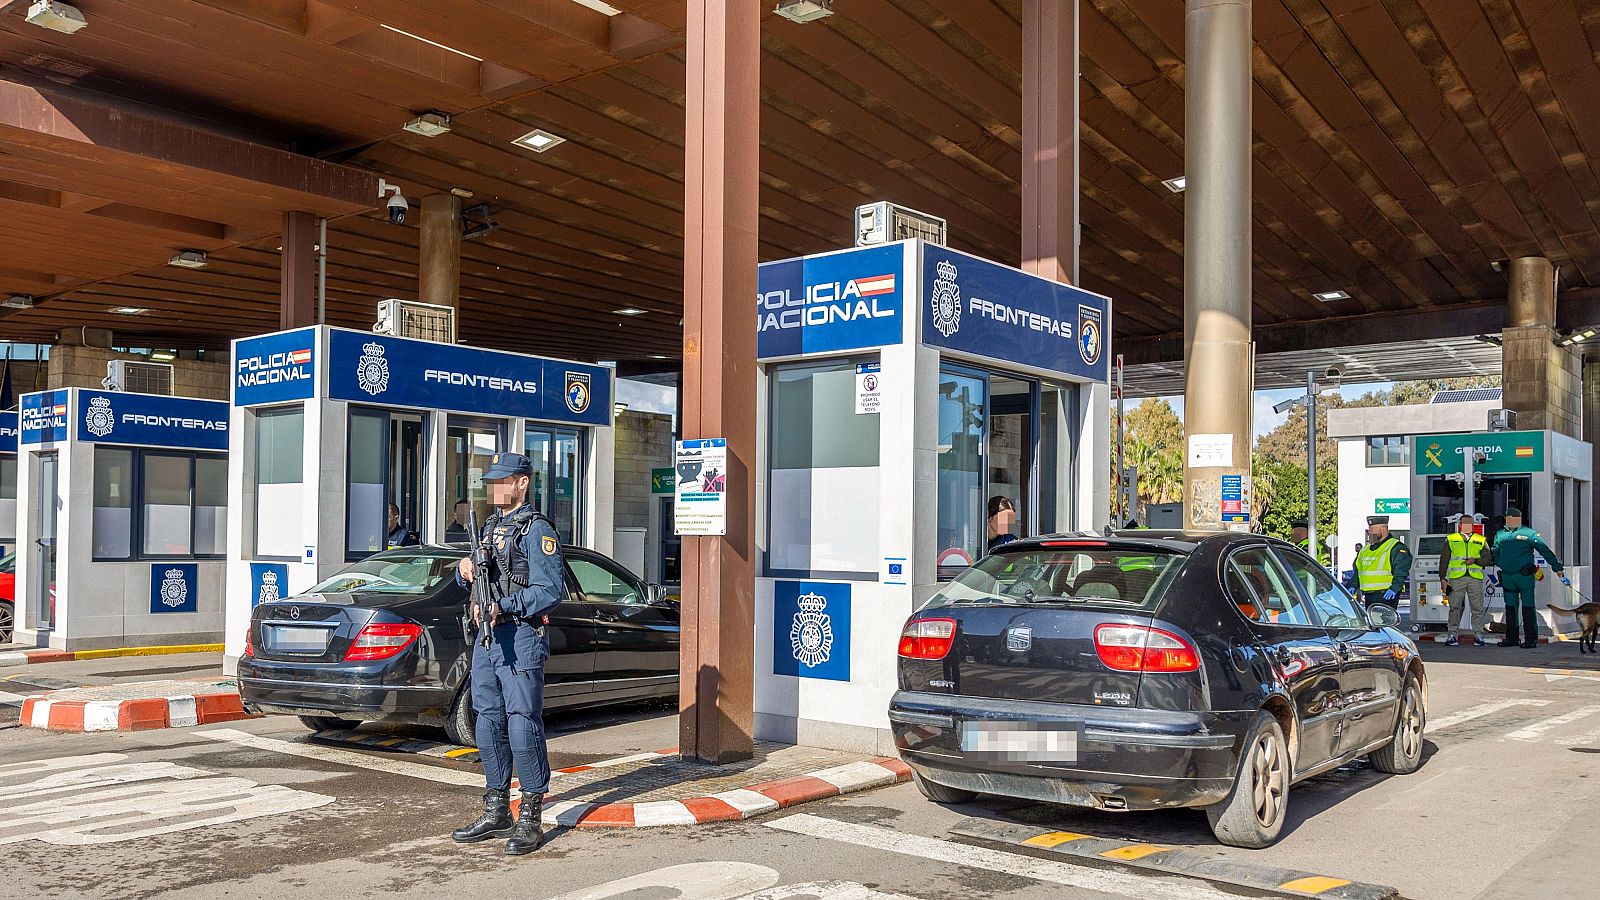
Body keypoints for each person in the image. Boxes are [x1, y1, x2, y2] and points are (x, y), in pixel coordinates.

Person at [450, 453, 567, 855]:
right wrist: (463, 569)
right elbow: (478, 576)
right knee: (487, 718)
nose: (493, 487)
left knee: (521, 721)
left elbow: (551, 590)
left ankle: (531, 814)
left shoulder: (537, 531)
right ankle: (497, 807)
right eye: (491, 481)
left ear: (521, 483)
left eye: (501, 480)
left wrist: (508, 605)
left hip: (520, 636)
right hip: (487, 637)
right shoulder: (489, 527)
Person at [1490, 507, 1568, 649]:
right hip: (1507, 576)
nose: (1510, 520)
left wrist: (1557, 568)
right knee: (1510, 608)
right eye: (1508, 518)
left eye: (1512, 518)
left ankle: (1531, 639)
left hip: (1524, 575)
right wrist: (1500, 562)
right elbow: (1494, 550)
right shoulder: (1500, 534)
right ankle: (1512, 638)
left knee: (1528, 607)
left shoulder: (1529, 533)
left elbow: (1544, 550)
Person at [1440, 514, 1491, 647]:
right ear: (1460, 525)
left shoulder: (1480, 539)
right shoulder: (1451, 539)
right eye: (1465, 524)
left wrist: (1475, 561)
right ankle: (1452, 634)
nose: (1468, 526)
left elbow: (1488, 559)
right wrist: (1442, 579)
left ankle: (1478, 634)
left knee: (1477, 608)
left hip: (1475, 578)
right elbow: (1444, 560)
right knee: (1454, 607)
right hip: (1457, 578)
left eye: (1470, 524)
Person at [1354, 516, 1411, 610]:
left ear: (1383, 529)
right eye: (1369, 529)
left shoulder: (1395, 547)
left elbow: (1401, 571)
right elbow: (1358, 571)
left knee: (1382, 622)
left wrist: (1394, 588)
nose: (1370, 532)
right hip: (1369, 595)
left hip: (1386, 595)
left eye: (1373, 529)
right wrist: (1353, 585)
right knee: (1373, 622)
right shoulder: (1365, 549)